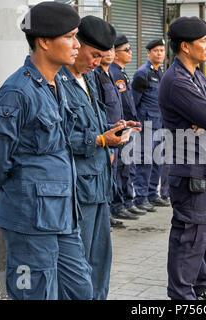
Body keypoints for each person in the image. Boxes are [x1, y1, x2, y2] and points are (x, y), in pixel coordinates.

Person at [0, 2, 93, 300]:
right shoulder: (18, 91)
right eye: (69, 37)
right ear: (43, 41)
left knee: (81, 289)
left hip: (63, 214)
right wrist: (1, 190)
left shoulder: (57, 85)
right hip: (31, 217)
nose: (77, 45)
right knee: (34, 293)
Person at [58, 16, 140, 300]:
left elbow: (94, 122)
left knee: (100, 262)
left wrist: (114, 131)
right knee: (76, 267)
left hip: (100, 184)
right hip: (75, 190)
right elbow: (59, 138)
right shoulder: (56, 81)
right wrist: (101, 140)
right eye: (94, 55)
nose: (96, 63)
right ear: (76, 45)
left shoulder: (90, 77)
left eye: (102, 57)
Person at [160, 16, 206, 300]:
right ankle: (181, 295)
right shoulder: (177, 81)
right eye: (203, 41)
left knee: (205, 232)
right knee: (190, 235)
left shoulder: (197, 75)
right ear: (185, 46)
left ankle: (201, 284)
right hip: (191, 171)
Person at [95, 42, 140, 222]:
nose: (109, 53)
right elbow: (99, 110)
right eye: (106, 48)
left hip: (119, 131)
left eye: (113, 49)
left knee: (122, 170)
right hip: (106, 135)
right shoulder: (96, 75)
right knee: (111, 173)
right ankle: (110, 210)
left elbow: (121, 104)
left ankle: (116, 207)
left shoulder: (111, 74)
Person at [109, 35, 148, 217]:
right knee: (121, 169)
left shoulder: (121, 72)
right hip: (121, 126)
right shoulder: (114, 73)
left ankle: (126, 202)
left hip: (128, 125)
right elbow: (119, 104)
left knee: (128, 167)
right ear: (115, 54)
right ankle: (119, 205)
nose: (131, 52)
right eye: (127, 50)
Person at [132, 39, 170, 211]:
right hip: (146, 124)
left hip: (160, 123)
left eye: (162, 50)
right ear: (148, 53)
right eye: (156, 51)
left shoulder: (161, 72)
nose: (159, 54)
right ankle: (141, 197)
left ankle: (152, 194)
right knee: (145, 161)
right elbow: (134, 101)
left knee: (157, 161)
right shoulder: (142, 73)